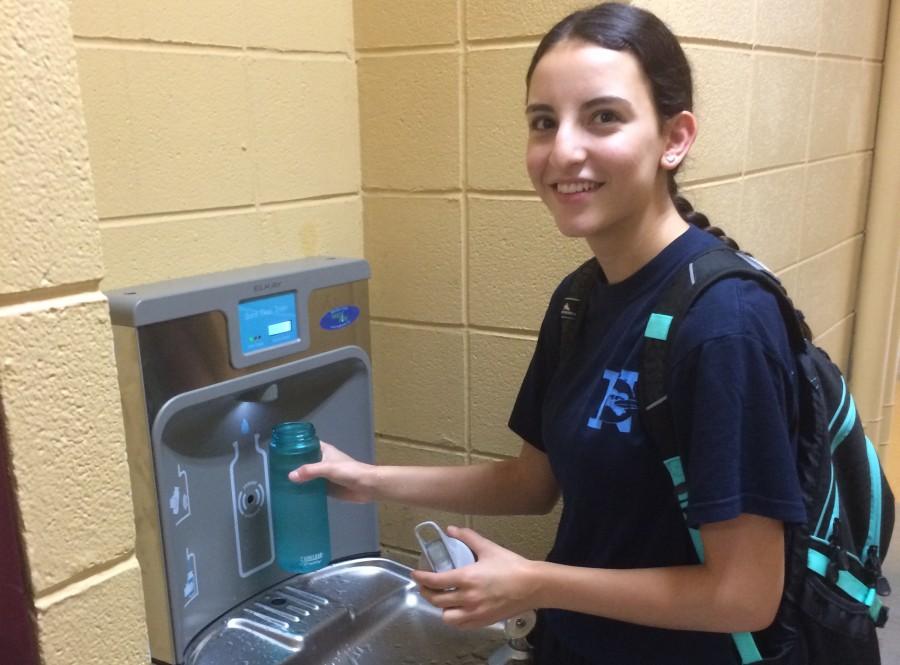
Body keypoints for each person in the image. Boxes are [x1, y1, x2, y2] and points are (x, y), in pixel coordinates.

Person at [289, 4, 807, 663]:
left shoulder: (723, 326)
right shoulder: (580, 299)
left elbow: (744, 594)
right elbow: (534, 482)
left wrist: (533, 581)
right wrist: (368, 479)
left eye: (603, 116)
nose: (563, 150)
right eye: (543, 122)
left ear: (675, 138)